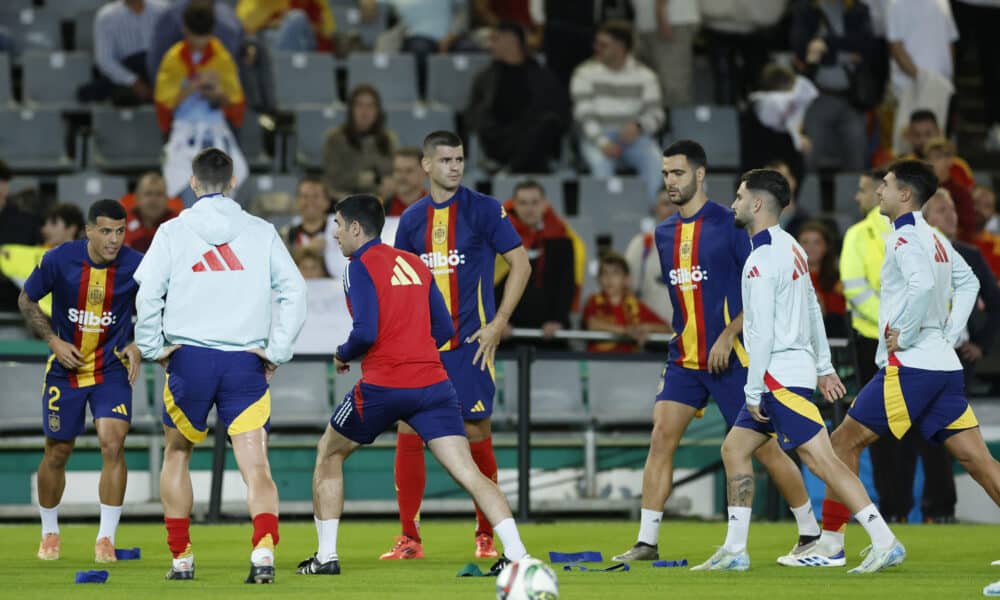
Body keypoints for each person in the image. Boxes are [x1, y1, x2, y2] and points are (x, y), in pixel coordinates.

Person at [295, 194, 529, 576]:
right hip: (433, 385)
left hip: (384, 385)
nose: (334, 234)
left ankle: (326, 557)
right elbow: (444, 329)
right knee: (469, 471)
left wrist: (342, 353)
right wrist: (414, 348)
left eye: (338, 225)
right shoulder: (415, 264)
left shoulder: (358, 266)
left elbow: (365, 331)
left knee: (329, 453)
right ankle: (517, 553)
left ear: (356, 228)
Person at [613, 140, 822, 564]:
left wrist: (729, 334)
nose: (670, 181)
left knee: (764, 449)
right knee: (660, 438)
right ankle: (647, 541)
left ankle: (809, 532)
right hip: (684, 358)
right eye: (666, 174)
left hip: (732, 358)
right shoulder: (664, 232)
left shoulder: (732, 224)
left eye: (678, 173)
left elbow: (761, 286)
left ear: (700, 174)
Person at [692, 169, 904, 573]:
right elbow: (812, 309)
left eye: (739, 196)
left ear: (756, 204)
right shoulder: (790, 247)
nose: (733, 203)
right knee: (734, 450)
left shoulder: (760, 260)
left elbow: (766, 330)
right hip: (792, 370)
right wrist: (822, 367)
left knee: (824, 461)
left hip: (778, 378)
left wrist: (754, 390)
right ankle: (736, 549)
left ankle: (884, 539)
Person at [802, 160, 1000, 566]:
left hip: (911, 367)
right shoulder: (936, 238)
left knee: (841, 443)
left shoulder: (905, 236)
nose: (879, 191)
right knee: (978, 461)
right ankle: (835, 543)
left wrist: (906, 333)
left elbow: (924, 285)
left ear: (905, 194)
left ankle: (833, 544)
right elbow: (970, 283)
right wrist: (947, 333)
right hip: (943, 367)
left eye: (886, 185)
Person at [133, 148, 307, 583]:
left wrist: (153, 347)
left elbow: (147, 294)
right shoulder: (262, 231)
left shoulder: (172, 231)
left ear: (192, 183)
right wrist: (277, 350)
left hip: (190, 360)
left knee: (177, 454)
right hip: (244, 362)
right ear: (232, 183)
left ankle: (182, 559)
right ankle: (264, 551)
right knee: (256, 465)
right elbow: (296, 293)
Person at [388, 130, 530, 560]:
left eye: (460, 159)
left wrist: (498, 323)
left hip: (471, 346)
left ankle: (485, 533)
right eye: (446, 160)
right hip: (424, 349)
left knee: (474, 433)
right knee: (408, 428)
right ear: (427, 166)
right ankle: (409, 538)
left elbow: (520, 265)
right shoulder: (411, 220)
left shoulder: (485, 209)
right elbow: (403, 285)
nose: (455, 167)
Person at [18, 200, 143, 563]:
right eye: (105, 231)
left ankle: (105, 538)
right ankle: (49, 531)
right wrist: (53, 341)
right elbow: (26, 300)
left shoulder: (136, 265)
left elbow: (162, 304)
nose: (114, 239)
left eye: (120, 231)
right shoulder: (59, 259)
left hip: (111, 369)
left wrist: (140, 341)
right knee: (57, 451)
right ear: (87, 230)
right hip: (65, 370)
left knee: (112, 444)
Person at [155, 2, 249, 198]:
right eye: (194, 38)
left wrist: (216, 94)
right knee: (187, 183)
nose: (199, 43)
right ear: (185, 30)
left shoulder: (221, 57)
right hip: (184, 130)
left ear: (212, 32)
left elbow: (235, 103)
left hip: (215, 128)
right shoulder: (173, 58)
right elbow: (165, 105)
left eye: (204, 38)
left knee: (227, 182)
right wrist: (193, 86)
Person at [571, 19, 665, 200]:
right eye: (597, 43)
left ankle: (655, 218)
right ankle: (609, 218)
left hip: (635, 137)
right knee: (601, 166)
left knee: (657, 164)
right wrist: (602, 141)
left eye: (603, 45)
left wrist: (638, 126)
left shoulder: (645, 76)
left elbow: (657, 114)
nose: (596, 48)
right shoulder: (584, 73)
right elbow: (583, 116)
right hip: (598, 137)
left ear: (620, 47)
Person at [464, 20, 569, 173]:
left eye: (495, 39)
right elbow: (474, 113)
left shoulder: (542, 76)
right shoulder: (485, 77)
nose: (490, 45)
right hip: (500, 140)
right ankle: (517, 167)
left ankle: (512, 170)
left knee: (547, 124)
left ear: (511, 40)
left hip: (533, 138)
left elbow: (559, 112)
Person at [790, 0, 876, 172]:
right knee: (808, 158)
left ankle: (855, 198)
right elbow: (801, 48)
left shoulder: (858, 9)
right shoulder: (807, 9)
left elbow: (866, 45)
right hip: (817, 97)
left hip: (852, 98)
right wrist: (844, 55)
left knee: (857, 158)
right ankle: (802, 198)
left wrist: (826, 43)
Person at [498, 179, 579, 345]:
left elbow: (566, 285)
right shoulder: (499, 239)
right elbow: (490, 283)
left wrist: (558, 320)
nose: (529, 209)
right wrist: (497, 319)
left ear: (544, 205)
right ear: (514, 205)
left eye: (535, 202)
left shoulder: (562, 239)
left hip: (551, 333)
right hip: (506, 333)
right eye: (523, 203)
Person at [1, 204, 86, 318]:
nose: (45, 229)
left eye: (53, 223)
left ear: (71, 228)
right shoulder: (40, 254)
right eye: (45, 224)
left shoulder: (88, 261)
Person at [79, 0, 169, 106]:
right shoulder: (106, 16)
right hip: (126, 73)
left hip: (160, 71)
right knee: (122, 90)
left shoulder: (163, 10)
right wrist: (133, 81)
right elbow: (104, 60)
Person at [583, 252, 670, 352]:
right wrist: (626, 331)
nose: (609, 278)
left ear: (627, 279)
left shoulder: (635, 305)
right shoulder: (593, 301)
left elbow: (666, 329)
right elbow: (592, 324)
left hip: (628, 364)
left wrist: (645, 328)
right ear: (599, 279)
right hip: (596, 362)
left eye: (615, 273)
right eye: (604, 273)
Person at [322, 85, 397, 200]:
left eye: (370, 106)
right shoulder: (335, 139)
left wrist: (390, 182)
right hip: (343, 200)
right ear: (351, 110)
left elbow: (394, 172)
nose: (364, 111)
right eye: (359, 105)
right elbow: (332, 178)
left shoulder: (388, 139)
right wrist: (361, 179)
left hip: (380, 201)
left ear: (377, 111)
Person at [624, 188, 677, 323]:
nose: (672, 210)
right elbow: (626, 291)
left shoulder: (701, 245)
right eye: (666, 204)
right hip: (651, 336)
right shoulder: (641, 245)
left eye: (677, 203)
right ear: (656, 209)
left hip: (691, 337)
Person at [633, 0, 700, 108]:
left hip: (669, 20)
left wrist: (660, 13)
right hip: (648, 22)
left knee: (672, 85)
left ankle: (676, 123)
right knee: (650, 86)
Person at [798, 221, 848, 338]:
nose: (810, 248)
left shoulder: (838, 281)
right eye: (805, 242)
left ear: (826, 247)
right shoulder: (787, 279)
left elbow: (840, 320)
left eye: (817, 242)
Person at [924, 137, 977, 242]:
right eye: (929, 158)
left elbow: (968, 228)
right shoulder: (922, 190)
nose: (931, 163)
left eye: (938, 157)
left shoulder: (961, 193)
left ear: (949, 161)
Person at [236, 0, 335, 52]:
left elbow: (324, 31)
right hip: (265, 42)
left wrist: (286, 24)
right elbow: (243, 28)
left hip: (304, 44)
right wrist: (273, 24)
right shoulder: (254, 3)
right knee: (267, 35)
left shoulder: (313, 3)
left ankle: (279, 67)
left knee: (297, 18)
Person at [125, 173, 179, 253]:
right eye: (148, 193)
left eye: (159, 194)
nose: (153, 200)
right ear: (136, 197)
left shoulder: (177, 224)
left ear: (167, 199)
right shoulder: (122, 223)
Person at [383, 147, 426, 217]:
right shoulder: (382, 209)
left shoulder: (439, 208)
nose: (402, 176)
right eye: (398, 170)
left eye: (409, 170)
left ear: (424, 172)